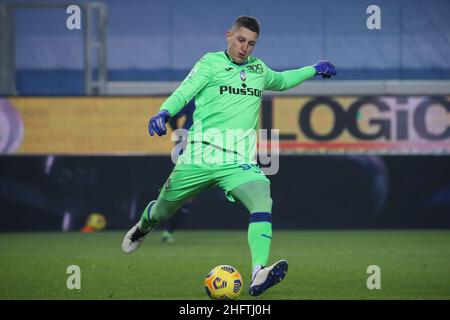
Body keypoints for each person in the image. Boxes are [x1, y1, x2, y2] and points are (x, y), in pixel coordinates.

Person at [122, 16, 337, 296]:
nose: (245, 48)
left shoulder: (259, 70)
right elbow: (184, 91)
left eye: (251, 43)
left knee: (262, 195)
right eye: (240, 40)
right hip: (199, 156)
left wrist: (314, 69)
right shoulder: (210, 63)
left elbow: (283, 80)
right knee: (162, 210)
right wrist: (164, 112)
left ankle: (259, 272)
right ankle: (143, 226)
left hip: (238, 163)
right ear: (228, 36)